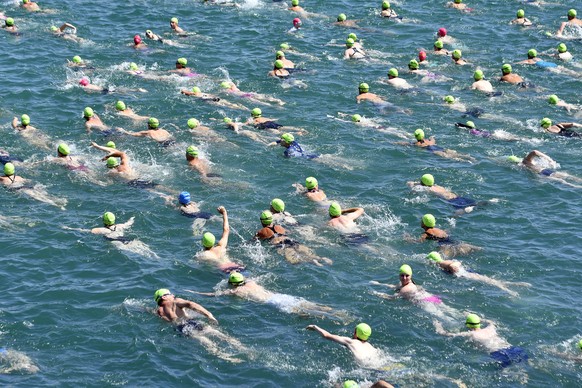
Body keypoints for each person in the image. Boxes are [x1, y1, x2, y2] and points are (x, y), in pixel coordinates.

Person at [191, 272, 346, 321]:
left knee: (301, 313)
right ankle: (333, 311)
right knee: (307, 304)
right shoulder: (251, 283)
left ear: (233, 284)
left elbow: (216, 294)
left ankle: (324, 317)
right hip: (280, 296)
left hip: (273, 302)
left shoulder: (238, 292)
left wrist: (197, 293)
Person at [434, 314, 528, 368]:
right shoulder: (491, 328)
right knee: (523, 365)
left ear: (468, 325)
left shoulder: (471, 334)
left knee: (508, 371)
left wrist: (438, 326)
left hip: (499, 353)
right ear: (479, 323)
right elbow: (491, 322)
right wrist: (481, 319)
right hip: (512, 348)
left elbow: (446, 334)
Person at [426, 252, 529, 297]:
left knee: (489, 281)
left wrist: (455, 271)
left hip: (465, 274)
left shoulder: (441, 263)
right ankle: (514, 284)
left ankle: (509, 291)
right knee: (488, 280)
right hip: (466, 272)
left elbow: (454, 264)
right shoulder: (442, 262)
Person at [256, 210, 332, 266]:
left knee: (295, 262)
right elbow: (289, 232)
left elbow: (254, 240)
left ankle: (314, 262)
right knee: (309, 254)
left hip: (282, 246)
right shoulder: (279, 227)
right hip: (291, 241)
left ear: (262, 222)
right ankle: (320, 258)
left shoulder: (262, 231)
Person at [199, 206, 245, 273]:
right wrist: (224, 213)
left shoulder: (204, 254)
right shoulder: (221, 246)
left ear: (203, 243)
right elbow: (226, 230)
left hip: (226, 270)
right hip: (237, 266)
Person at [305, 323, 378, 364]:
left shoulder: (351, 342)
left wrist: (314, 327)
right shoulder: (371, 347)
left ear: (356, 333)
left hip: (364, 365)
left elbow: (326, 335)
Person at [509, 150, 582, 188]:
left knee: (562, 180)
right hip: (545, 171)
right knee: (566, 176)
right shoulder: (526, 161)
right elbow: (534, 152)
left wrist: (549, 160)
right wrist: (549, 160)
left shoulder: (524, 163)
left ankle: (577, 186)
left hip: (542, 174)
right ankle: (578, 185)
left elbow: (534, 152)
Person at [400, 129, 475, 163]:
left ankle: (465, 161)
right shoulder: (428, 141)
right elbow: (433, 140)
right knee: (455, 154)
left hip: (433, 151)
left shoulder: (416, 144)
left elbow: (406, 144)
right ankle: (469, 157)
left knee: (450, 157)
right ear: (423, 135)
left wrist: (396, 143)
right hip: (439, 148)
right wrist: (432, 137)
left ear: (416, 137)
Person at [220, 80, 285, 106]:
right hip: (250, 93)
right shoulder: (234, 88)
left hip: (245, 96)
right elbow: (231, 82)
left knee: (261, 103)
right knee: (264, 97)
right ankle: (279, 101)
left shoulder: (227, 91)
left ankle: (271, 106)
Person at [181, 86, 247, 110]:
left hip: (208, 100)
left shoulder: (195, 93)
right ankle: (243, 108)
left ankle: (238, 108)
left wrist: (183, 91)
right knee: (229, 103)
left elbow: (186, 92)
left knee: (225, 106)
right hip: (213, 97)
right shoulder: (204, 92)